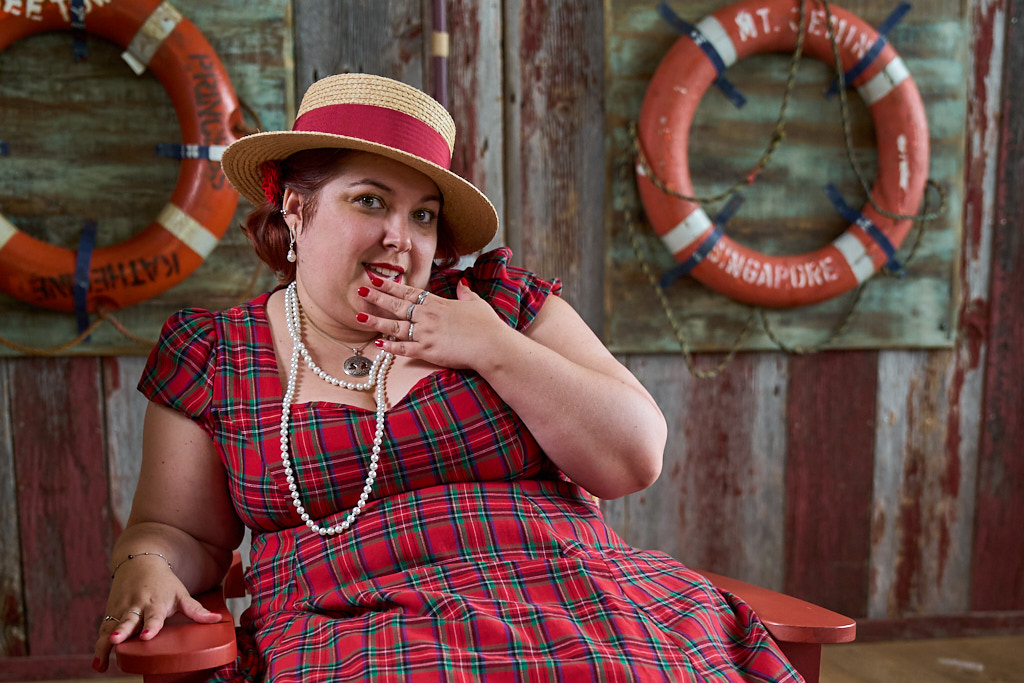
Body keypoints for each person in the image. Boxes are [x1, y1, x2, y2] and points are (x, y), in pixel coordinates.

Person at [93, 73, 800, 681]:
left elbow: (635, 455)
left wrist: (492, 347)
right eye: (370, 200)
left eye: (423, 215)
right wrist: (146, 561)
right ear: (297, 210)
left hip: (582, 611)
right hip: (354, 637)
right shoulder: (216, 355)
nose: (400, 237)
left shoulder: (498, 305)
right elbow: (178, 531)